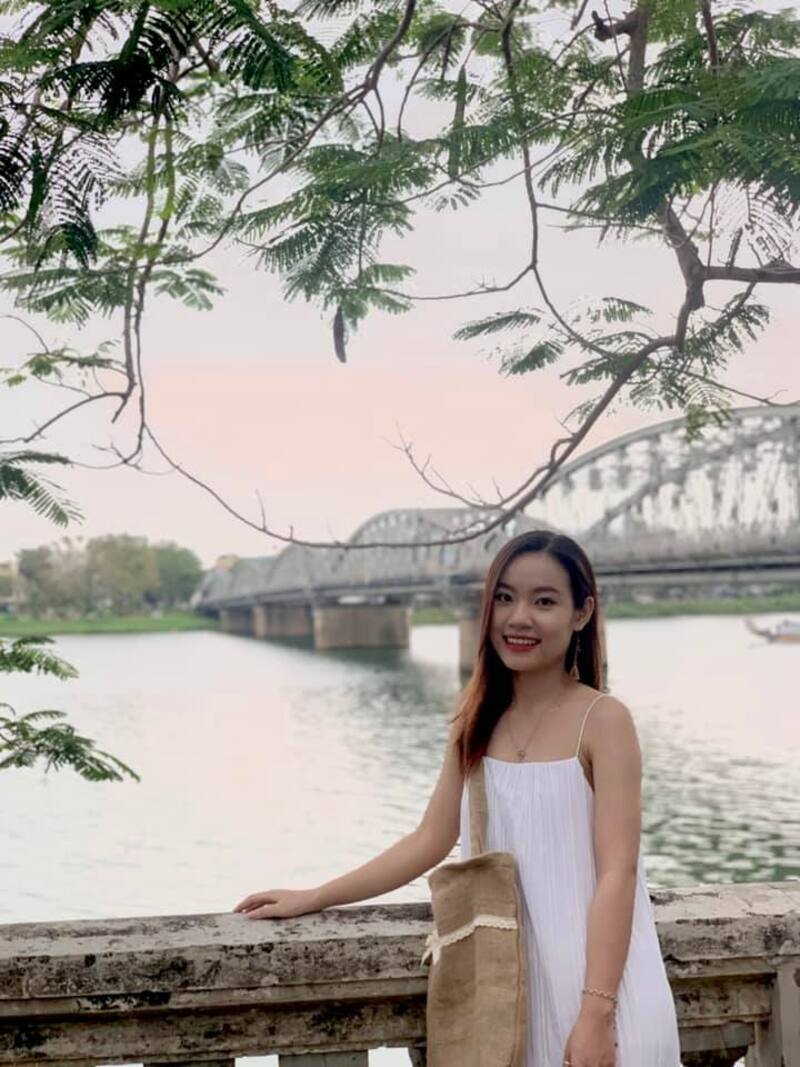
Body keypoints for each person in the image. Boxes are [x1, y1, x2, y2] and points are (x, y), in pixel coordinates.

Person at [233, 529, 682, 1067]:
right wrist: (316, 896)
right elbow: (430, 839)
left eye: (544, 602)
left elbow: (617, 873)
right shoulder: (474, 721)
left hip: (604, 998)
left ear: (582, 613)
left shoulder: (604, 721)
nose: (519, 618)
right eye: (504, 598)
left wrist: (596, 1013)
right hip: (510, 998)